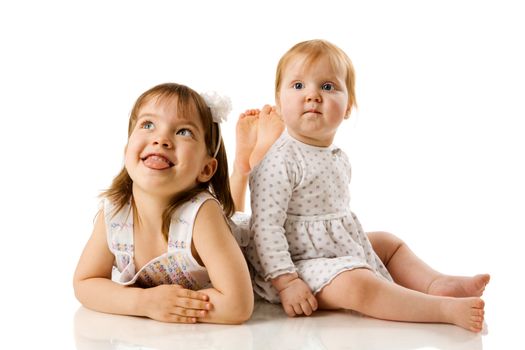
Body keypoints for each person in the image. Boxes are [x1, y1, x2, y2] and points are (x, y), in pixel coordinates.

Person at [245, 39, 490, 332]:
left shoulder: (336, 157)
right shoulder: (280, 160)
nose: (312, 96)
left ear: (348, 106)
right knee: (358, 283)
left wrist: (353, 247)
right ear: (279, 104)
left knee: (388, 243)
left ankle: (435, 283)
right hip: (295, 264)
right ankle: (441, 309)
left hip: (333, 249)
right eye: (298, 86)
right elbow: (265, 229)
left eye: (327, 87)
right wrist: (286, 282)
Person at [73, 82, 282, 324]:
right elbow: (84, 283)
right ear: (127, 147)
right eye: (148, 125)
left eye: (183, 131)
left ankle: (256, 163)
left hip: (256, 255)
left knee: (242, 225)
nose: (161, 139)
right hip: (225, 231)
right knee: (231, 217)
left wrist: (169, 306)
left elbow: (237, 305)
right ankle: (241, 169)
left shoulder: (201, 213)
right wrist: (144, 303)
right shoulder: (114, 213)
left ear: (206, 168)